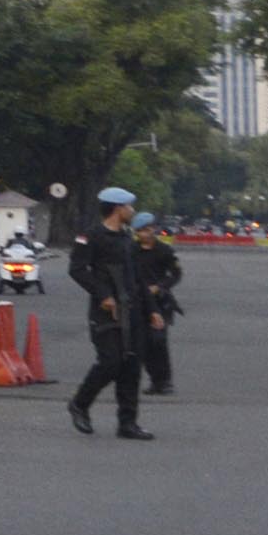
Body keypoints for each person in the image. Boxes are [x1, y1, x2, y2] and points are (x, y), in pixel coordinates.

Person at [67, 186, 155, 439]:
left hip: (133, 310)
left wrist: (152, 310)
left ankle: (127, 423)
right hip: (106, 311)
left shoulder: (127, 238)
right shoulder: (91, 236)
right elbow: (78, 269)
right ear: (118, 209)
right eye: (129, 206)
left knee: (131, 366)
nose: (132, 211)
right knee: (110, 362)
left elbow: (137, 277)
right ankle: (80, 404)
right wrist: (102, 294)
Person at [136, 216, 186, 397]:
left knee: (158, 341)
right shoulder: (132, 251)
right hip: (138, 301)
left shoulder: (164, 250)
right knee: (143, 344)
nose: (146, 233)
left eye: (149, 229)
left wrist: (160, 286)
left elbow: (176, 274)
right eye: (142, 230)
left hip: (160, 302)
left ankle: (165, 381)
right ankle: (154, 380)